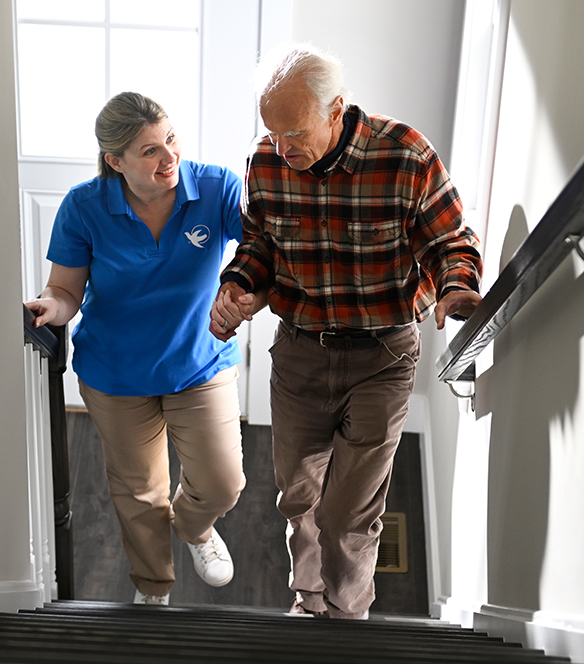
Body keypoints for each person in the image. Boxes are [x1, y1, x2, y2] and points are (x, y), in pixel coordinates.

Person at [210, 44, 483, 619]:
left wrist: (456, 286)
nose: (282, 149)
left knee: (348, 514)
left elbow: (449, 241)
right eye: (272, 133)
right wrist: (237, 287)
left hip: (382, 357)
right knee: (298, 497)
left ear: (336, 110)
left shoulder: (404, 155)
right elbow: (259, 243)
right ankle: (308, 604)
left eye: (294, 133)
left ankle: (346, 618)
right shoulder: (267, 162)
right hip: (301, 351)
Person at [25, 91, 246, 606]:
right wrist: (49, 310)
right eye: (149, 150)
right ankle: (153, 592)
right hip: (116, 372)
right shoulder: (85, 205)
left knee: (222, 483)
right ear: (115, 161)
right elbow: (65, 291)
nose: (168, 156)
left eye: (170, 140)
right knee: (139, 492)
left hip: (198, 364)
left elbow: (258, 252)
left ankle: (194, 529)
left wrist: (241, 292)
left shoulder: (215, 187)